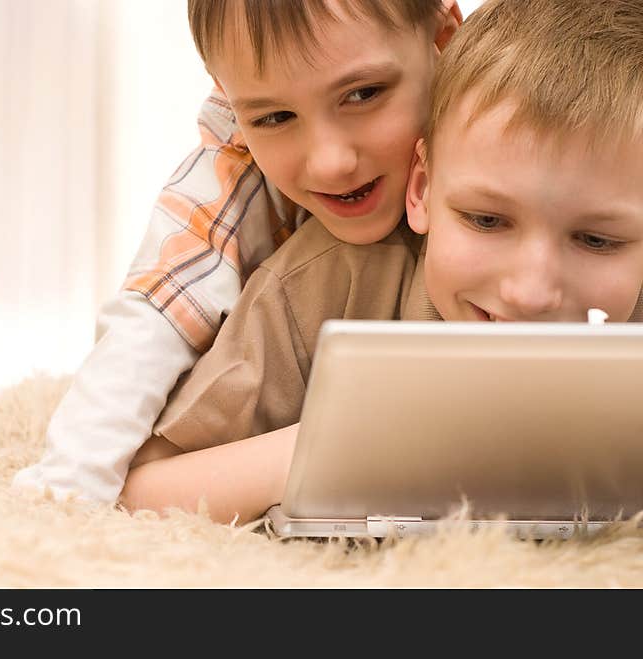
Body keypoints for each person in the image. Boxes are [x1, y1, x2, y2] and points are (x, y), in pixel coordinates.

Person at [119, 0, 643, 525]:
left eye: (597, 240)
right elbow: (138, 490)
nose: (530, 293)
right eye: (485, 221)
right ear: (422, 186)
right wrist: (341, 448)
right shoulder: (320, 284)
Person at [12, 0, 462, 504]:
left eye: (363, 94)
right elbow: (154, 315)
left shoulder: (513, 102)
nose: (332, 162)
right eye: (274, 117)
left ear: (444, 39)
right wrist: (69, 489)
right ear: (229, 99)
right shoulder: (233, 167)